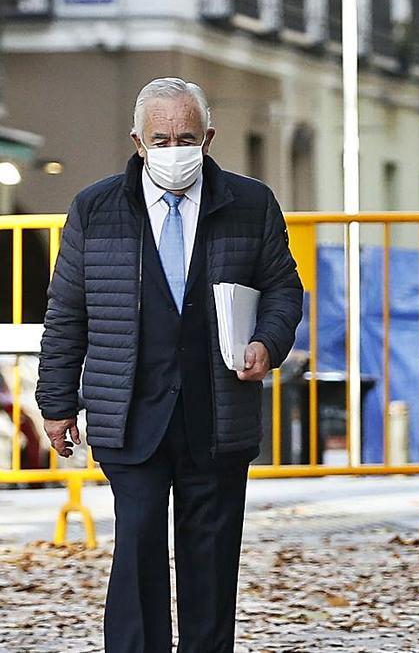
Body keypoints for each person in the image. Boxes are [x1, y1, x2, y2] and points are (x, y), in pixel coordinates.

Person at [36, 77, 303, 651]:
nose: (174, 148)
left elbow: (284, 289)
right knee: (136, 550)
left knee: (210, 559)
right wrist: (56, 403)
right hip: (129, 410)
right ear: (137, 141)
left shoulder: (250, 203)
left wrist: (266, 342)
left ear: (208, 137)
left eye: (186, 136)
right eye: (160, 138)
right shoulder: (95, 208)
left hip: (217, 411)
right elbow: (67, 310)